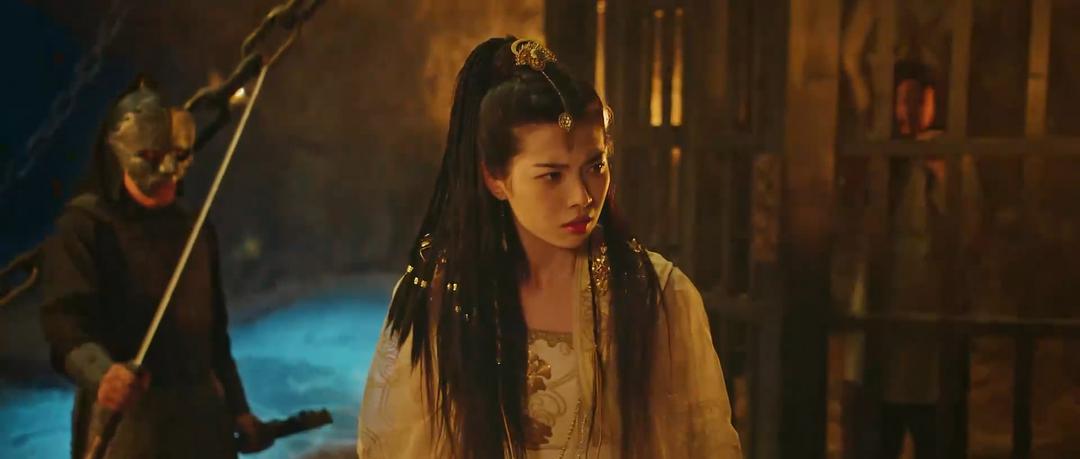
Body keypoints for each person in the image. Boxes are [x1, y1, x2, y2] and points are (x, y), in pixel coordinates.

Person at [356, 37, 742, 458]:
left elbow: (705, 443)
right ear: (495, 178)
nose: (582, 196)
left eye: (595, 166)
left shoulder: (658, 295)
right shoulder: (442, 297)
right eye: (552, 175)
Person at [39, 78, 273, 458]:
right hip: (128, 426)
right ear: (124, 152)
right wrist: (102, 374)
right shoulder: (86, 227)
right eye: (151, 155)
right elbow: (63, 324)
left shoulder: (195, 229)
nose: (167, 167)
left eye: (177, 155)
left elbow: (214, 337)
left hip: (201, 420)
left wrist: (238, 410)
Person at [874, 60, 980, 459]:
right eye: (904, 100)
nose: (911, 110)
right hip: (887, 316)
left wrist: (943, 178)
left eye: (921, 100)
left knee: (934, 420)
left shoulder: (949, 156)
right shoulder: (884, 156)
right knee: (884, 420)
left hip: (931, 312)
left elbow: (970, 229)